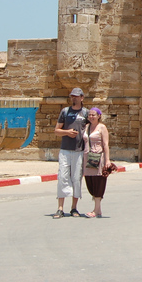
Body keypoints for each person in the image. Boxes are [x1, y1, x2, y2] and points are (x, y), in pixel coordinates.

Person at [53, 87, 88, 218]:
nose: (74, 98)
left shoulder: (85, 113)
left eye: (77, 96)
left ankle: (74, 208)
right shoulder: (65, 111)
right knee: (62, 177)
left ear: (82, 98)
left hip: (79, 150)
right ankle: (60, 208)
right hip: (65, 150)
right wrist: (67, 132)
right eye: (72, 96)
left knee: (76, 178)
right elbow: (57, 130)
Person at [83, 107, 111, 218]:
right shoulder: (86, 127)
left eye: (93, 115)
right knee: (90, 182)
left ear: (99, 115)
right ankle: (98, 210)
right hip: (87, 157)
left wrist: (107, 160)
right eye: (89, 115)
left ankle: (95, 209)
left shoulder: (102, 127)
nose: (91, 116)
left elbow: (105, 144)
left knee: (98, 182)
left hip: (98, 157)